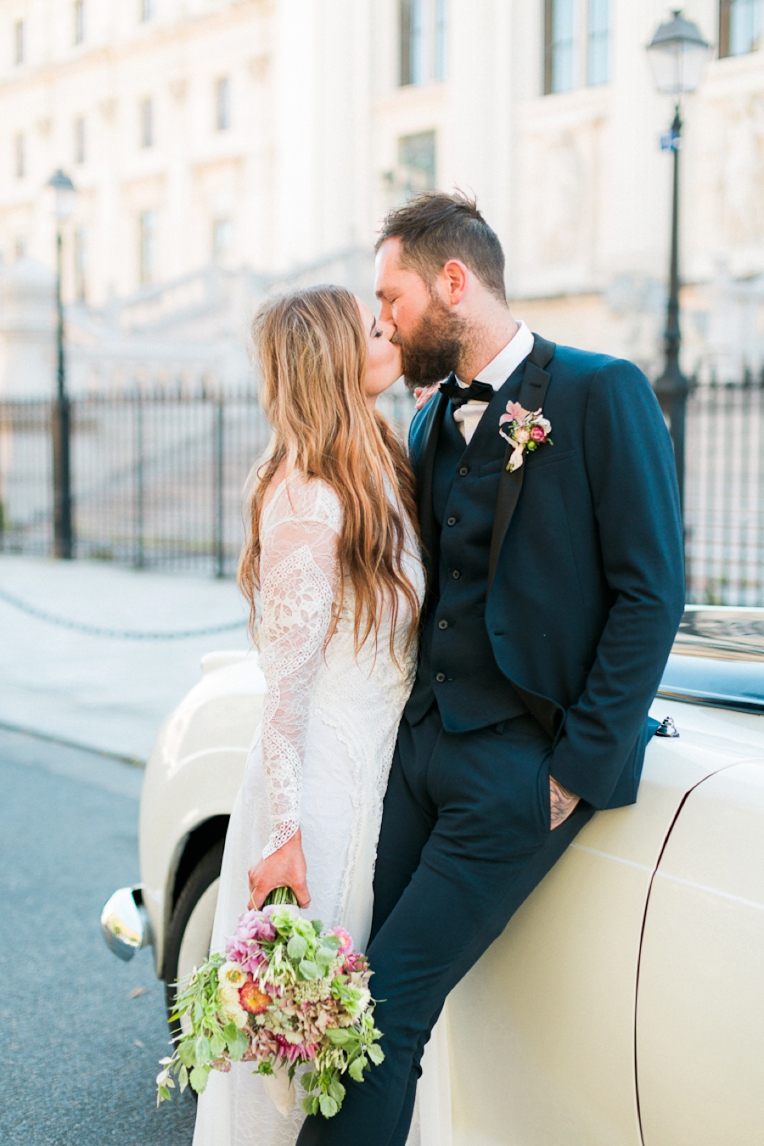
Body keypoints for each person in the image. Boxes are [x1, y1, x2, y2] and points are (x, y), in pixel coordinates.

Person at [295, 192, 686, 1146]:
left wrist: (573, 777)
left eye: (392, 297)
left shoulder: (601, 392)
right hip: (420, 755)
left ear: (454, 283)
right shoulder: (429, 423)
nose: (380, 319)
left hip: (520, 769)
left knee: (386, 1009)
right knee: (346, 1001)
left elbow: (652, 591)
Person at [192, 285, 427, 1146]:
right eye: (369, 326)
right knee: (291, 1054)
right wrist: (283, 835)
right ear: (332, 359)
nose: (386, 327)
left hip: (373, 781)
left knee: (341, 1044)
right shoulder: (302, 500)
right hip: (318, 803)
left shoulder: (377, 462)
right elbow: (282, 695)